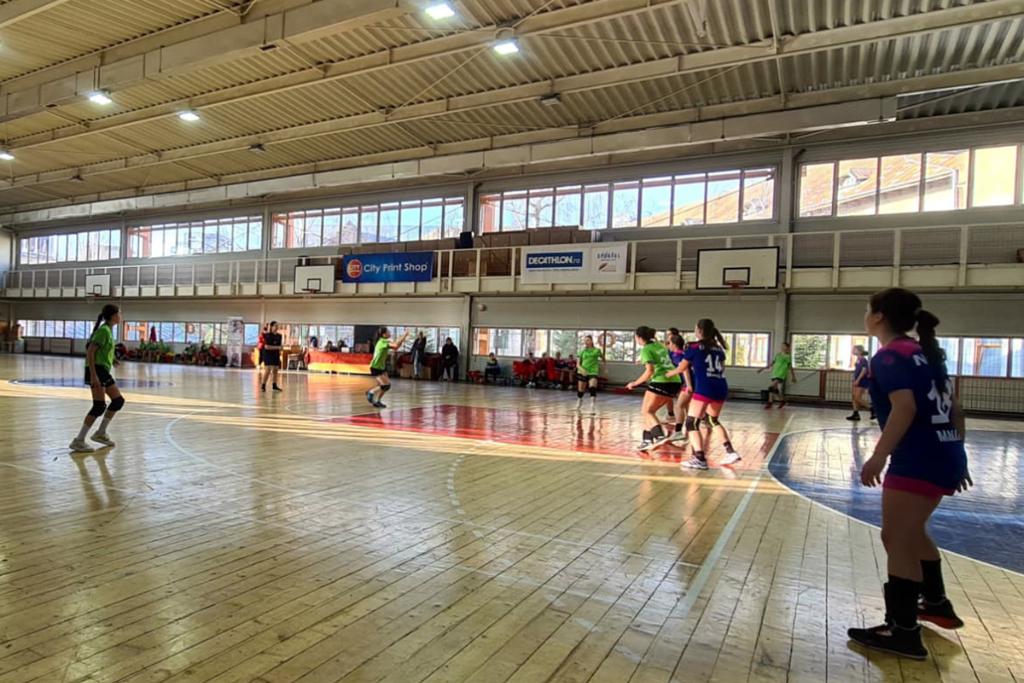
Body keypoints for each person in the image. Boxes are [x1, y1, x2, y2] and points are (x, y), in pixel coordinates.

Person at [847, 289, 970, 660]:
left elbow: (905, 408)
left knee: (896, 538)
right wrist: (958, 454)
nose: (865, 315)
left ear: (879, 316)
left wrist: (878, 456)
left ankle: (902, 631)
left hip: (916, 458)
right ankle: (935, 603)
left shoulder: (890, 356)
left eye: (867, 309)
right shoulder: (922, 353)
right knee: (912, 532)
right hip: (942, 452)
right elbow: (957, 409)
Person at [679, 319, 740, 469]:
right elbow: (722, 369)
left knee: (692, 423)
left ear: (699, 330)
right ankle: (730, 451)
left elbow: (683, 367)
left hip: (705, 388)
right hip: (720, 386)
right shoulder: (718, 349)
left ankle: (699, 457)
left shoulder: (693, 347)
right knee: (712, 420)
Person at [69, 304, 126, 452]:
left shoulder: (108, 331)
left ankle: (100, 433)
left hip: (103, 370)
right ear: (113, 316)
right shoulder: (103, 331)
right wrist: (94, 375)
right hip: (96, 370)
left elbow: (103, 350)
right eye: (119, 314)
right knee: (99, 406)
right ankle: (78, 440)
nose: (121, 316)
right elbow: (90, 352)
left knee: (118, 401)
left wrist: (112, 359)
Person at [625, 326, 681, 451]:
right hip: (675, 381)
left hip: (662, 381)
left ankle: (660, 436)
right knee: (648, 412)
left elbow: (649, 371)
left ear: (639, 337)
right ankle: (646, 440)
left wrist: (635, 383)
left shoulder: (646, 349)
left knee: (647, 412)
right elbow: (660, 359)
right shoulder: (659, 345)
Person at [367, 327, 409, 408]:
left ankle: (378, 401)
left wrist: (403, 338)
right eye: (388, 332)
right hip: (375, 367)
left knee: (386, 386)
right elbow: (396, 344)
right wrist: (404, 335)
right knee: (385, 385)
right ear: (384, 334)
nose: (390, 333)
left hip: (381, 366)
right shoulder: (382, 341)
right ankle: (371, 392)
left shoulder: (385, 341)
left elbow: (396, 347)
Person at [665, 334, 693, 443]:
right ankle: (690, 430)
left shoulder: (678, 355)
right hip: (688, 383)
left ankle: (678, 432)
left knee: (679, 406)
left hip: (688, 383)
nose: (668, 345)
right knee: (685, 407)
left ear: (675, 344)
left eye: (669, 343)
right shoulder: (682, 353)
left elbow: (684, 369)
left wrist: (689, 385)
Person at [759, 342, 797, 409]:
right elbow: (771, 364)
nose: (782, 347)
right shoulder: (778, 355)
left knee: (770, 387)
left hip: (781, 374)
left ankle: (770, 402)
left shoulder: (787, 356)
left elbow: (790, 367)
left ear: (787, 348)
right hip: (775, 373)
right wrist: (762, 369)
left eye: (784, 346)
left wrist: (793, 376)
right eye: (782, 346)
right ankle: (782, 401)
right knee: (774, 390)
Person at [575, 335, 604, 414]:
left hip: (593, 372)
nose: (586, 342)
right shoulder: (582, 351)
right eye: (585, 340)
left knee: (592, 387)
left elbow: (603, 358)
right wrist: (582, 370)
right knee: (581, 390)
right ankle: (579, 400)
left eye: (587, 340)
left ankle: (592, 405)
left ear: (591, 341)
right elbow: (577, 364)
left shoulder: (597, 350)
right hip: (582, 371)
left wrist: (604, 367)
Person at [847, 344, 875, 421]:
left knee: (857, 398)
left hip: (862, 381)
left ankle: (872, 408)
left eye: (854, 349)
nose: (853, 350)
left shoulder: (863, 360)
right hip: (857, 380)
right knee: (854, 397)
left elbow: (864, 370)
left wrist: (858, 380)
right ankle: (855, 414)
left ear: (859, 351)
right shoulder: (858, 360)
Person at [260, 321, 283, 392]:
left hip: (275, 354)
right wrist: (278, 348)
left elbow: (279, 346)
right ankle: (263, 385)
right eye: (275, 326)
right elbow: (267, 347)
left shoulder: (279, 336)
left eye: (277, 326)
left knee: (275, 370)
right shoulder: (268, 335)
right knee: (268, 370)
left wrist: (280, 348)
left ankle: (274, 385)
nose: (276, 327)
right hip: (268, 354)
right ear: (271, 327)